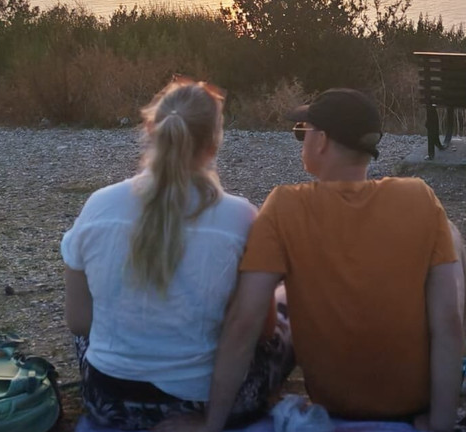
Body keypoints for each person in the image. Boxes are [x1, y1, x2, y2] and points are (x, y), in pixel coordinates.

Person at [156, 88, 466, 432]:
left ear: (321, 142)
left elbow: (245, 322)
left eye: (302, 131)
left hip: (335, 399)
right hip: (412, 400)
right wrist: (440, 425)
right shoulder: (419, 198)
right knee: (448, 233)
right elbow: (448, 323)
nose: (301, 140)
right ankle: (464, 364)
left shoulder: (285, 207)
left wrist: (212, 424)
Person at [61, 78, 293, 431]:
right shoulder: (240, 218)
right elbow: (259, 333)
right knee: (285, 308)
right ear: (213, 143)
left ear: (152, 130)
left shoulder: (98, 205)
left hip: (109, 400)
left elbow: (79, 321)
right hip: (197, 402)